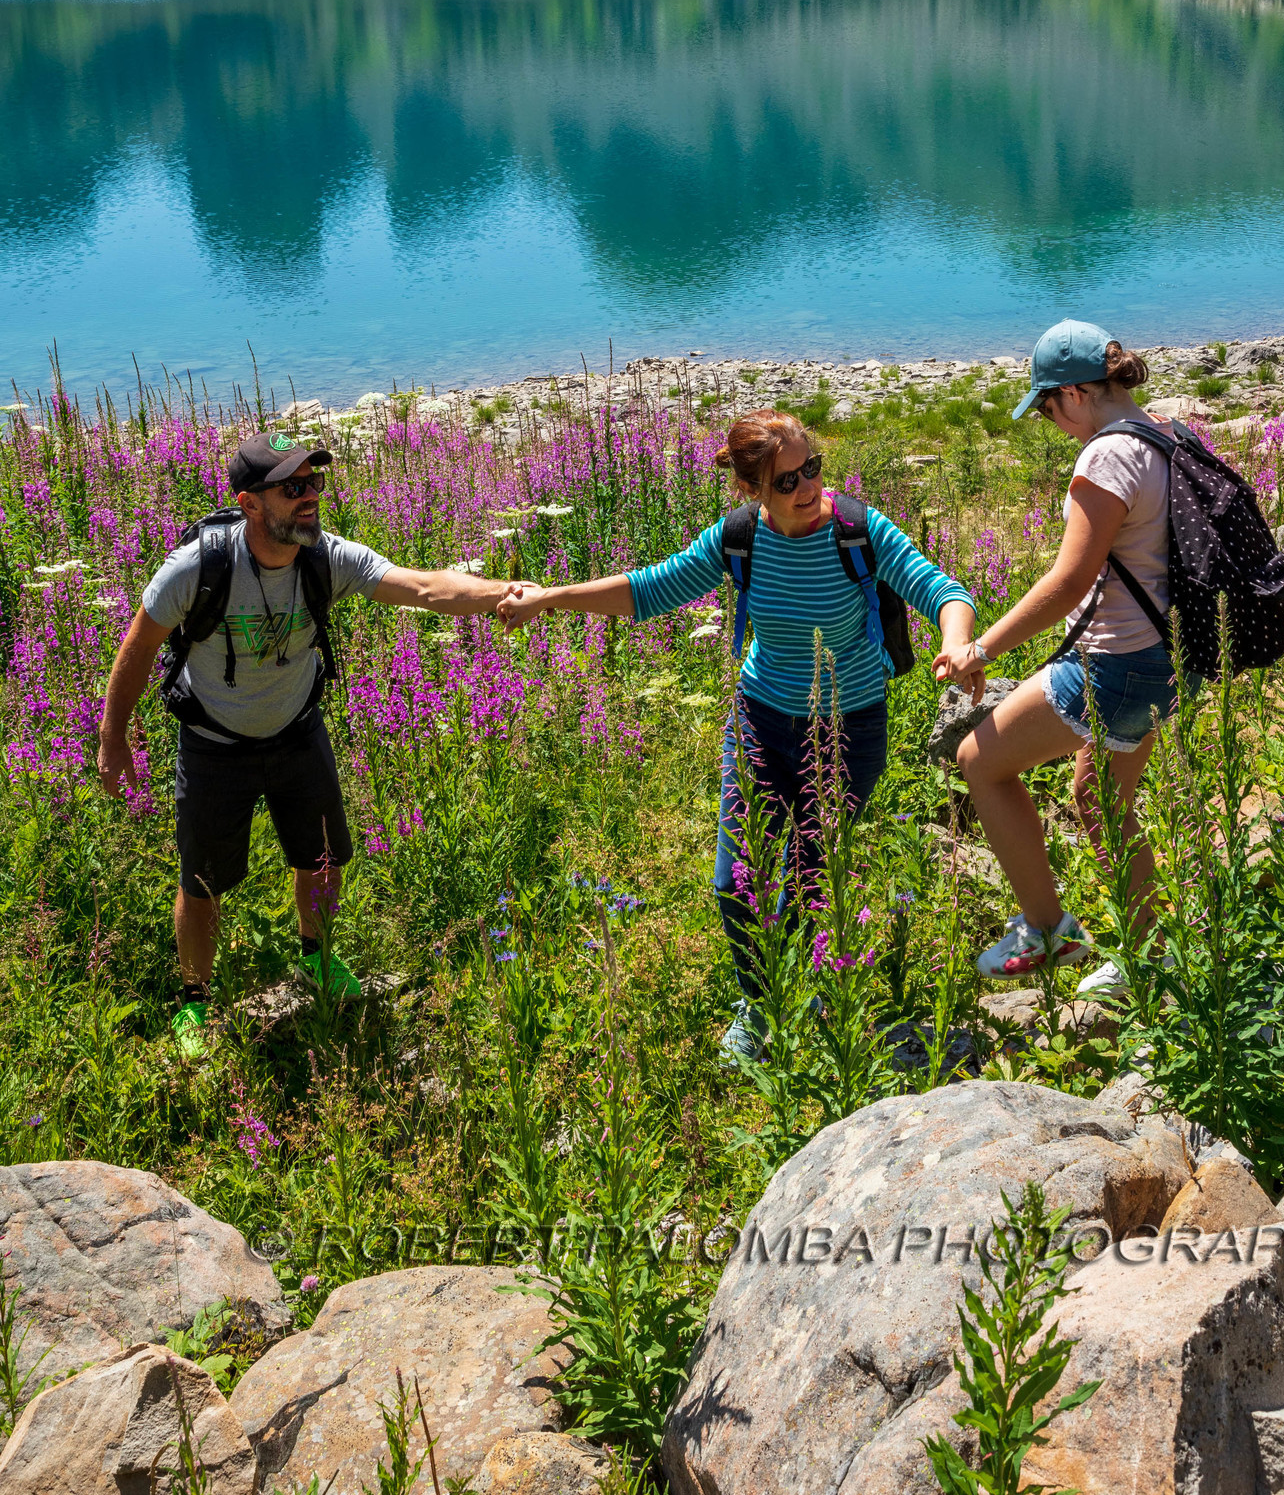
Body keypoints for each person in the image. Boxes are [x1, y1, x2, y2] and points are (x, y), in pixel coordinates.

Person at [497, 409, 976, 1058]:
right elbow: (648, 590)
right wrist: (550, 597)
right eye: (788, 480)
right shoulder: (740, 537)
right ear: (753, 490)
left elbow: (942, 590)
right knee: (736, 882)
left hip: (848, 727)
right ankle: (761, 1006)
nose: (808, 486)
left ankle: (813, 1005)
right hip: (760, 717)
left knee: (812, 878)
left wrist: (957, 644)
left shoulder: (857, 530)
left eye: (813, 468)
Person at [98, 429, 518, 1054]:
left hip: (296, 730)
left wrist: (510, 597)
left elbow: (424, 588)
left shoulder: (327, 557)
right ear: (248, 503)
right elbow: (139, 648)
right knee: (202, 881)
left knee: (322, 857)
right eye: (293, 487)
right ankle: (194, 1002)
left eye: (315, 483)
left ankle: (317, 958)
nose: (311, 497)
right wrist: (113, 737)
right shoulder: (198, 567)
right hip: (214, 742)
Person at [934, 319, 1176, 1002]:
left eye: (1044, 408)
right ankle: (1150, 955)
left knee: (980, 761)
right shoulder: (1166, 433)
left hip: (1114, 663)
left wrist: (982, 648)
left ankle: (1046, 931)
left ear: (1072, 393)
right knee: (1100, 798)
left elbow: (1068, 582)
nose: (1049, 422)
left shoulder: (1106, 456)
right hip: (1168, 659)